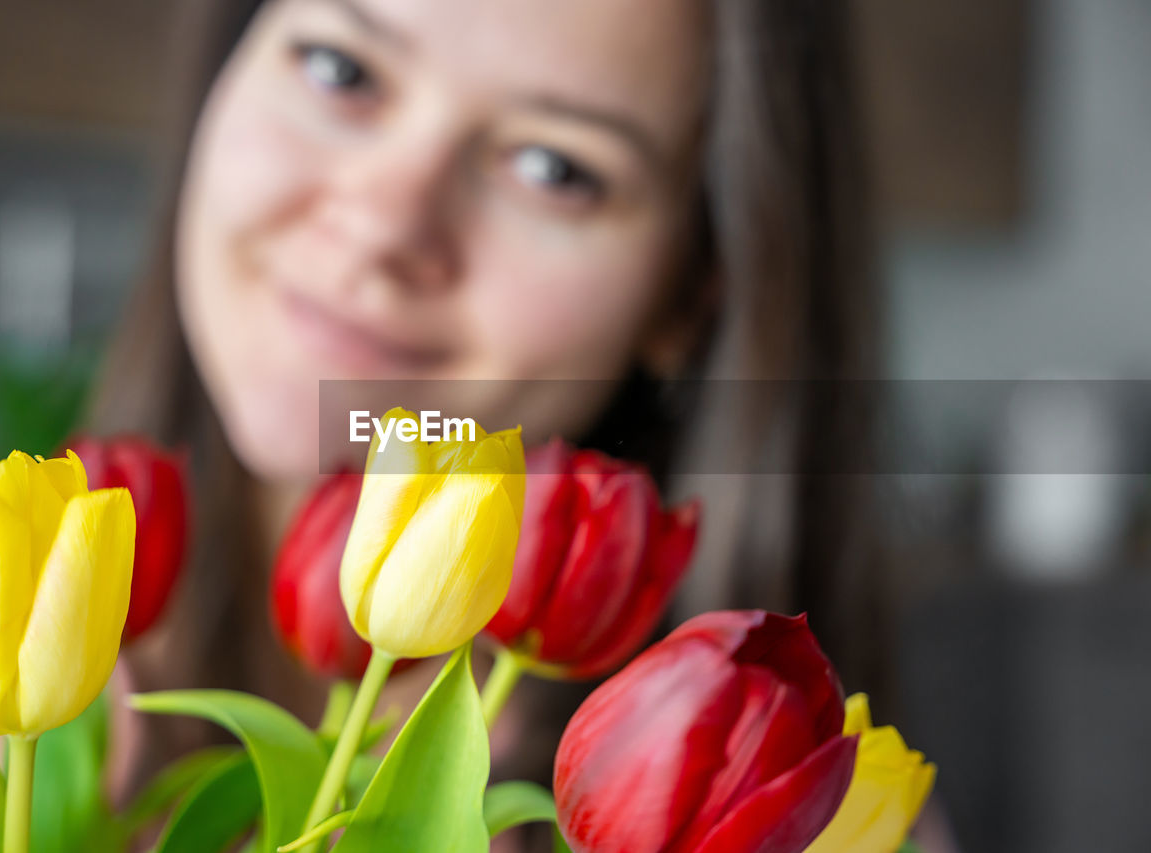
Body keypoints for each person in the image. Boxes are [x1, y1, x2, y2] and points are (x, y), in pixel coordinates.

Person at [90, 0, 894, 839]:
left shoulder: (850, 828)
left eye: (554, 167)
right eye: (342, 69)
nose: (384, 226)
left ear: (696, 290)